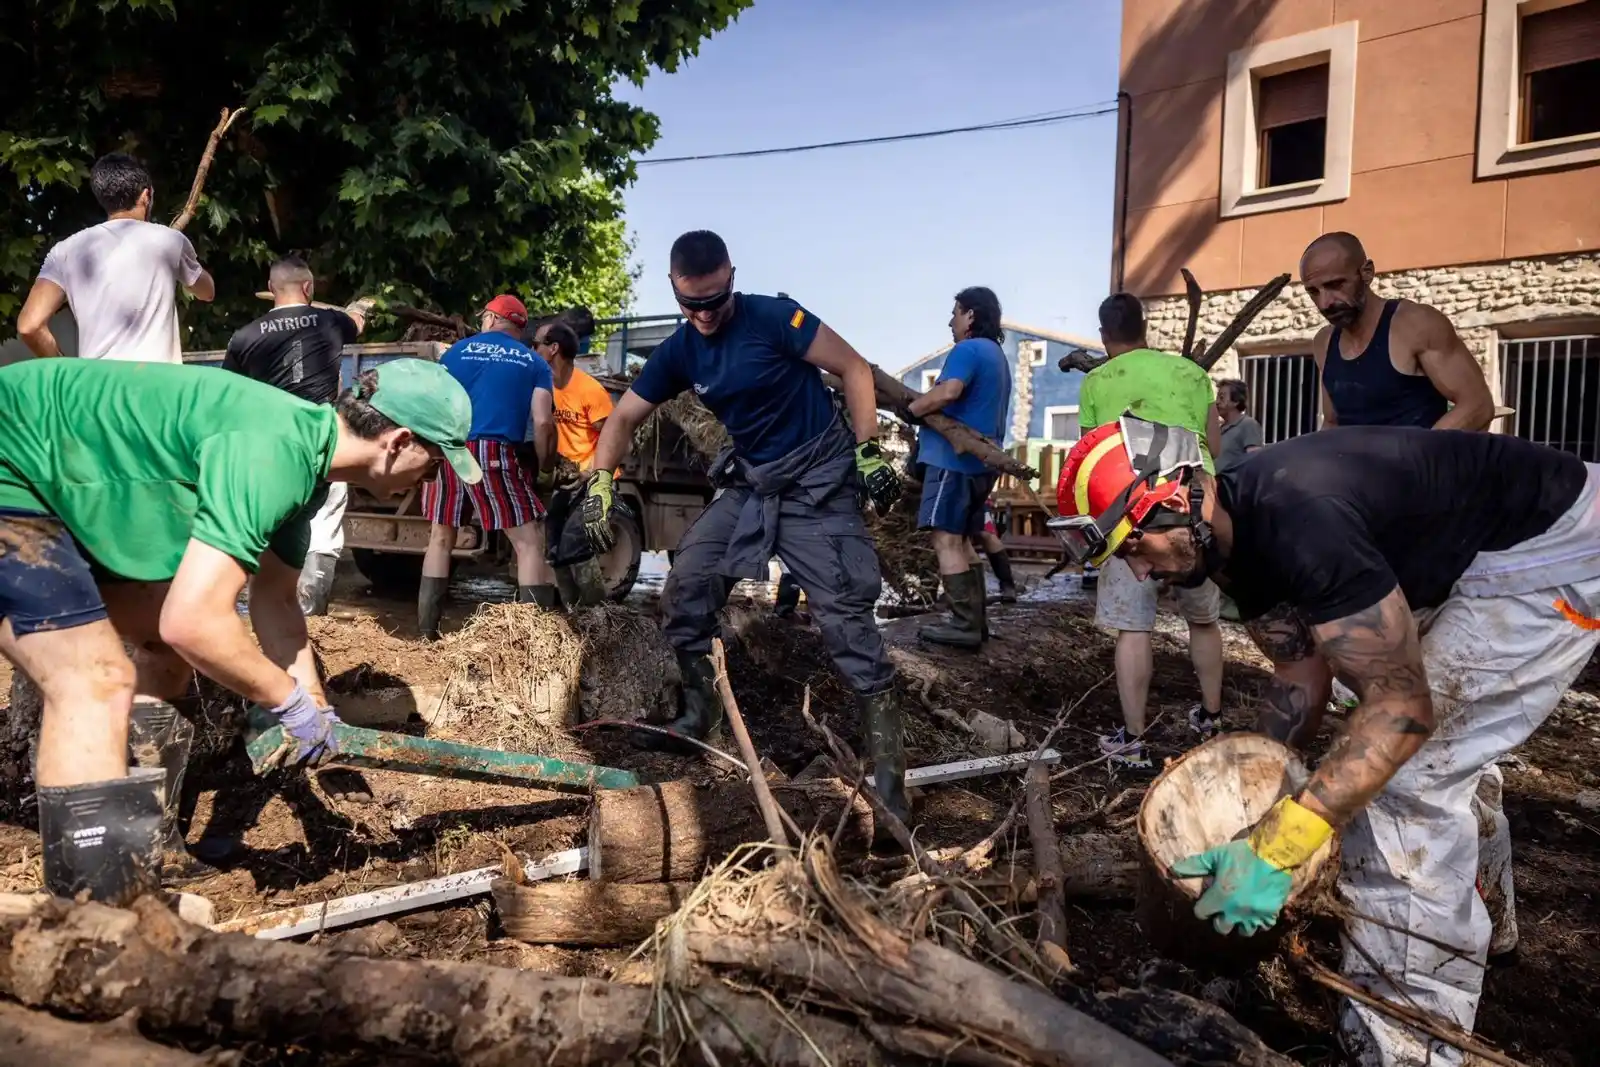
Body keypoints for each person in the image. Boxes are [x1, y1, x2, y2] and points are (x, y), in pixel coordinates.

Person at [1055, 414, 1600, 1067]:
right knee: (1414, 741)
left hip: (1556, 549)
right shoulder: (1230, 540)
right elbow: (1298, 668)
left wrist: (1284, 842)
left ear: (1175, 500)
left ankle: (1410, 1041)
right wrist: (1252, 802)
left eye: (1135, 547)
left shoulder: (1301, 520)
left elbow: (1402, 708)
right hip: (1481, 554)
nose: (1139, 574)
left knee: (1406, 777)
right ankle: (1487, 906)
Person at [0, 356, 476, 904]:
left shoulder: (310, 465)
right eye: (436, 464)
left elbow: (273, 600)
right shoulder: (273, 451)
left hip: (52, 479)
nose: (431, 479)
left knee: (159, 649)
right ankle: (94, 919)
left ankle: (149, 842)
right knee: (92, 681)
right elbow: (194, 621)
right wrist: (283, 699)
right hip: (14, 465)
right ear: (398, 441)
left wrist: (314, 706)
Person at [579, 230, 909, 819]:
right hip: (752, 484)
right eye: (691, 304)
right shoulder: (682, 349)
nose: (704, 314)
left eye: (714, 300)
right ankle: (698, 716)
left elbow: (855, 369)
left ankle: (889, 775)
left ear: (731, 277)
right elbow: (624, 415)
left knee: (845, 618)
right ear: (676, 292)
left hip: (817, 480)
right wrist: (601, 481)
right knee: (686, 584)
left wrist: (869, 450)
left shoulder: (775, 318)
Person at [1077, 293, 1226, 766]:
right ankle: (1211, 716)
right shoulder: (1191, 373)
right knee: (1203, 617)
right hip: (1198, 505)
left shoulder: (1099, 380)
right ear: (1145, 328)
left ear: (1104, 335)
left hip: (1132, 514)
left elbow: (1090, 458)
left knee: (1133, 628)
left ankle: (1133, 740)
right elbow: (1214, 445)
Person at [224, 254, 375, 614]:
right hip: (322, 438)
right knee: (323, 523)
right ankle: (311, 609)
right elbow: (357, 320)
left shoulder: (244, 337)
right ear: (308, 287)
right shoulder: (332, 321)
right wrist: (361, 309)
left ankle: (260, 606)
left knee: (267, 521)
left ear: (271, 289)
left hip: (267, 445)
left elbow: (230, 393)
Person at [419, 294, 558, 636]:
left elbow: (433, 400)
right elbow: (542, 423)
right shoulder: (535, 363)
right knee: (528, 542)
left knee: (440, 537)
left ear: (495, 319)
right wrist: (545, 467)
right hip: (493, 452)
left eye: (484, 317)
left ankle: (426, 634)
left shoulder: (455, 352)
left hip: (448, 446)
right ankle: (533, 641)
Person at [18, 152, 215, 362]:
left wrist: (66, 368)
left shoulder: (65, 250)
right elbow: (207, 292)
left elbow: (29, 326)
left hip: (99, 387)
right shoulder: (169, 240)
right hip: (157, 385)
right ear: (145, 196)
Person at [907, 287, 1013, 649]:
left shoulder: (967, 349)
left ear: (971, 316)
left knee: (945, 538)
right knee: (965, 540)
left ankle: (964, 624)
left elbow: (949, 391)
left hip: (953, 461)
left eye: (955, 312)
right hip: (983, 462)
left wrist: (914, 409)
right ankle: (976, 621)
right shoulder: (997, 354)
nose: (950, 321)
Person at [1304, 232, 1494, 432]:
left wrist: (1417, 457)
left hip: (1417, 459)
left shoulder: (1415, 325)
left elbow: (1477, 405)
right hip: (1354, 462)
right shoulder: (1324, 343)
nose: (1325, 303)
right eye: (1313, 292)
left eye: (1335, 285)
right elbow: (1332, 422)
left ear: (1367, 273)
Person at [533, 317, 613, 606]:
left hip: (594, 481)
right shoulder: (544, 388)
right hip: (565, 481)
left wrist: (590, 472)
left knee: (574, 546)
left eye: (537, 344)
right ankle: (575, 616)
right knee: (554, 550)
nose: (533, 349)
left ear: (553, 349)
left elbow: (616, 440)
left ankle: (603, 617)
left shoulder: (590, 390)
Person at [1214, 378, 1264, 474]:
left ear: (1236, 401)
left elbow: (1254, 460)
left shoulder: (1248, 425)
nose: (1217, 402)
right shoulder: (1221, 429)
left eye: (1222, 397)